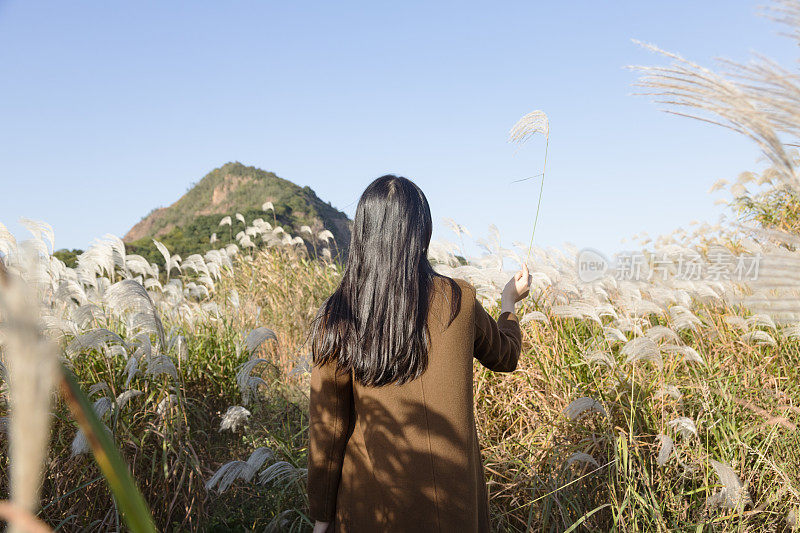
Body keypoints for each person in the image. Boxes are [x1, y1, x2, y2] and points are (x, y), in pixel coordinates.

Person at [307, 175, 530, 532]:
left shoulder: (339, 316)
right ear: (421, 232)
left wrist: (321, 516)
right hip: (454, 512)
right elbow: (506, 356)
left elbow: (328, 431)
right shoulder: (459, 300)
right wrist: (508, 304)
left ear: (363, 233)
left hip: (368, 509)